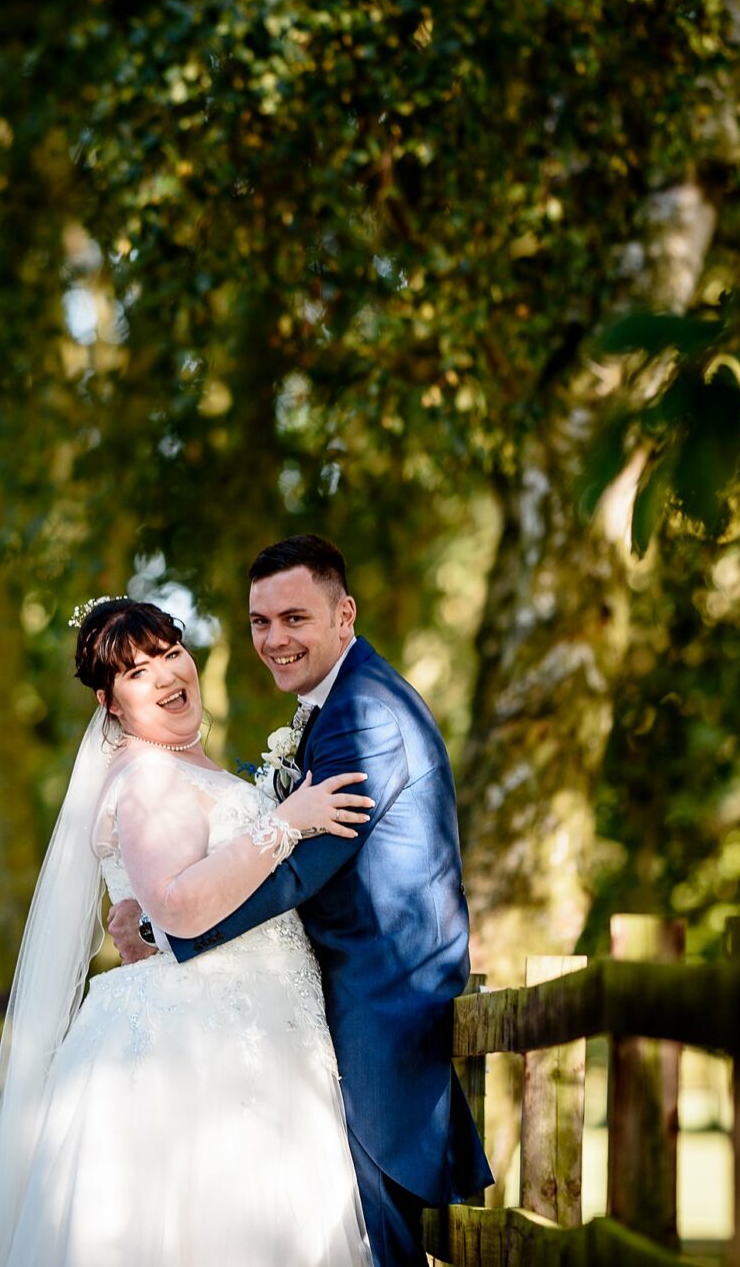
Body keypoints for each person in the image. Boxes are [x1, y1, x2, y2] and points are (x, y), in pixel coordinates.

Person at [0, 595, 378, 1267]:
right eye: (139, 671)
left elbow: (167, 909)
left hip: (265, 1034)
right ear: (110, 703)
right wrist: (291, 819)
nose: (169, 675)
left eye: (171, 652)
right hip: (195, 1049)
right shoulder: (146, 776)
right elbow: (178, 906)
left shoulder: (190, 768)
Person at [108, 535, 493, 1267]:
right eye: (260, 622)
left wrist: (172, 922)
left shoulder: (366, 712)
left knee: (378, 1246)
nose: (274, 639)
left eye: (295, 617)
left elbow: (303, 868)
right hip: (332, 1007)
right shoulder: (338, 702)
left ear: (343, 613)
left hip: (380, 1009)